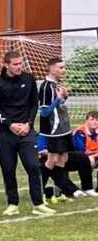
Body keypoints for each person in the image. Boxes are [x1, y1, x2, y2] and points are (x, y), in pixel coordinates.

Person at [0, 49, 55, 218]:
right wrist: (10, 125)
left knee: (33, 166)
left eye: (20, 63)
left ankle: (38, 204)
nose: (19, 67)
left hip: (27, 132)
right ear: (6, 65)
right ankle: (13, 204)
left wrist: (28, 124)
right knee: (8, 169)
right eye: (16, 64)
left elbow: (34, 104)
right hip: (5, 134)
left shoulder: (28, 79)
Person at [38, 57, 81, 198]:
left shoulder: (59, 84)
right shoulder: (45, 87)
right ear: (51, 69)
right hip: (53, 130)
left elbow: (60, 105)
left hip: (64, 128)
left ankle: (59, 192)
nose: (64, 70)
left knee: (63, 159)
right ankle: (38, 193)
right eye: (61, 67)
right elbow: (44, 112)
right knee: (52, 160)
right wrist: (57, 99)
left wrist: (65, 97)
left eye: (64, 67)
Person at [73, 111, 98, 193]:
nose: (95, 122)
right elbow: (83, 152)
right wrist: (95, 154)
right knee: (89, 160)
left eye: (97, 120)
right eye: (92, 119)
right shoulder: (80, 132)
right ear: (86, 121)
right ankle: (87, 186)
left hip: (93, 156)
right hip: (77, 159)